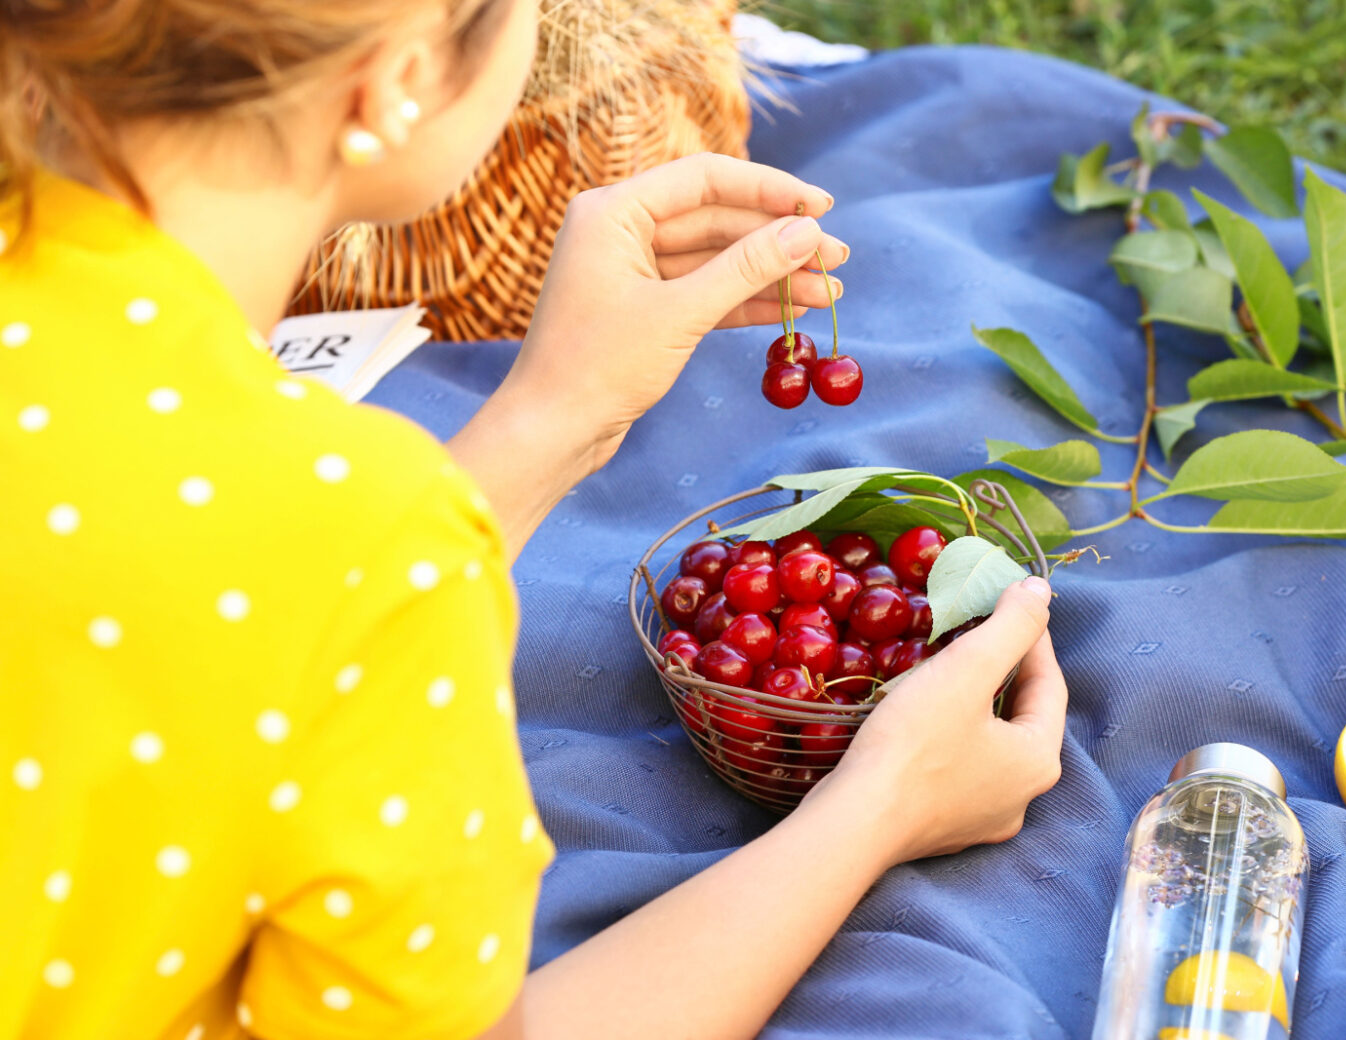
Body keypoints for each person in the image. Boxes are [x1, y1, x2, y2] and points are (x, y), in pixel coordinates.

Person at [0, 1, 1069, 1037]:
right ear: (400, 77)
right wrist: (883, 799)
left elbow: (223, 644)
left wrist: (557, 410)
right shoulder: (365, 540)